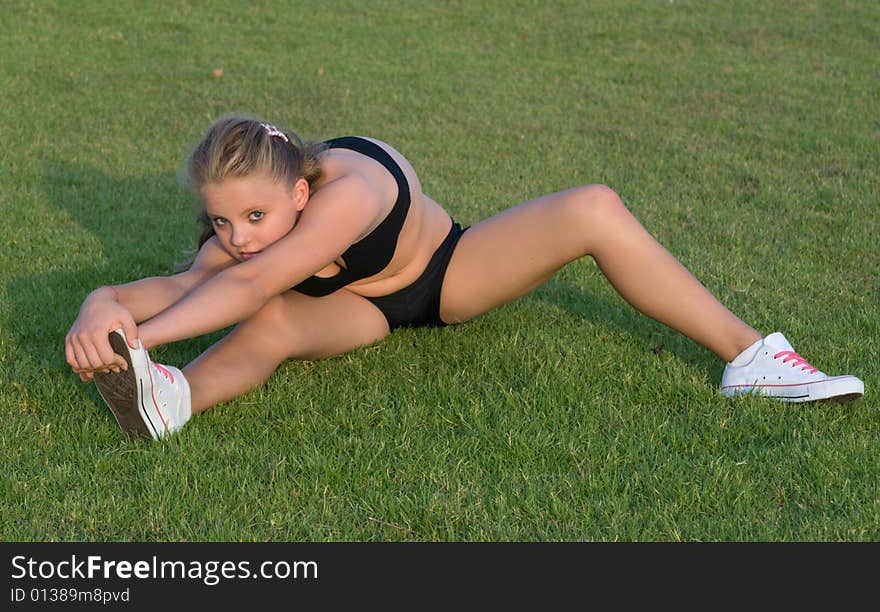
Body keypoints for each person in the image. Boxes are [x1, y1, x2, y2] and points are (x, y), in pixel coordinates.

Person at [65, 116, 865, 440]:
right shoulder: (237, 242)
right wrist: (100, 313)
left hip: (447, 274)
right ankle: (171, 400)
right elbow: (171, 289)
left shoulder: (355, 189)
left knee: (592, 206)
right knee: (273, 324)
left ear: (300, 192)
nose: (236, 239)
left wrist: (138, 335)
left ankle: (749, 356)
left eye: (255, 219)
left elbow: (240, 285)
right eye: (222, 221)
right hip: (355, 312)